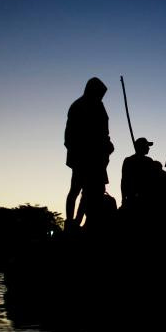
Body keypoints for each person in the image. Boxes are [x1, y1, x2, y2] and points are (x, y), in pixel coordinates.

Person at [64, 77, 114, 230]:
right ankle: (70, 221)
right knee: (75, 190)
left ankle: (80, 222)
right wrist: (80, 152)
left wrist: (107, 146)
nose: (101, 97)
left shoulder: (99, 106)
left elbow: (104, 132)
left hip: (98, 159)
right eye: (99, 93)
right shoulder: (78, 107)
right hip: (82, 158)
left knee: (90, 193)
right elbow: (70, 137)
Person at [121, 137, 165, 220]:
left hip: (145, 198)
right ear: (141, 147)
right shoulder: (136, 161)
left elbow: (124, 181)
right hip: (139, 199)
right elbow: (124, 181)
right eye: (147, 146)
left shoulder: (131, 160)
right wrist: (123, 199)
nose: (148, 148)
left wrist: (123, 199)